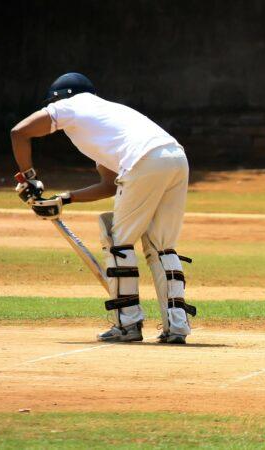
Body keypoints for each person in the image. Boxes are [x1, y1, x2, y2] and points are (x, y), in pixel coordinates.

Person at [10, 72, 194, 344]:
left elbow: (20, 132)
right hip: (176, 158)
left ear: (59, 98)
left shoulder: (70, 105)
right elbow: (109, 185)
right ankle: (177, 326)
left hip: (144, 160)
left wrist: (28, 177)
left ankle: (127, 324)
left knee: (118, 242)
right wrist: (64, 199)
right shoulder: (109, 117)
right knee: (161, 245)